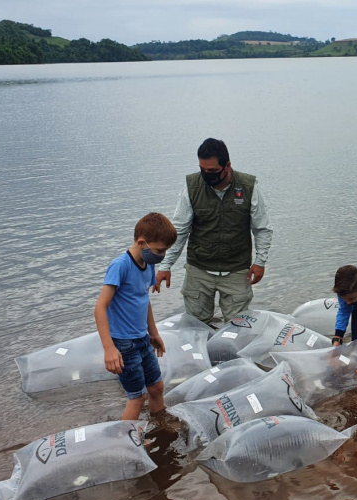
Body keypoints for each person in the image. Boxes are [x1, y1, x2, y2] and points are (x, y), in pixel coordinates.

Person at [154, 138, 273, 325]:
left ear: (227, 165)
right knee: (195, 327)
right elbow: (179, 230)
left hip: (236, 270)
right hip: (198, 271)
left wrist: (260, 262)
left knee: (239, 328)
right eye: (203, 169)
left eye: (213, 171)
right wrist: (165, 266)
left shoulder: (249, 187)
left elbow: (262, 229)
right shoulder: (192, 187)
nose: (207, 174)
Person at [95, 213, 178, 421]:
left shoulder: (148, 265)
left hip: (142, 339)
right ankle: (127, 443)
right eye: (160, 250)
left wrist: (154, 333)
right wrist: (109, 349)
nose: (163, 255)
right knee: (137, 397)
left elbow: (144, 300)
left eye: (165, 250)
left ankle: (160, 427)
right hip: (123, 343)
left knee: (157, 387)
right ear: (142, 243)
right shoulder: (120, 266)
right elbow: (100, 307)